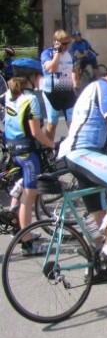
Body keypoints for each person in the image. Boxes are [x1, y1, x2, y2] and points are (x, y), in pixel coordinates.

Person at [58, 63, 107, 274]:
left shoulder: (94, 87)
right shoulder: (106, 88)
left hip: (79, 153)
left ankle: (98, 269)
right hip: (85, 153)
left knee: (98, 215)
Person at [4, 58, 55, 255]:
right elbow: (36, 132)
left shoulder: (10, 94)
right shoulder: (31, 99)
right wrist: (53, 145)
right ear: (31, 77)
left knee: (21, 188)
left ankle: (16, 225)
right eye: (38, 76)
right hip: (27, 152)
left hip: (13, 149)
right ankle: (27, 242)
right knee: (29, 196)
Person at [41, 29, 77, 141]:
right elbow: (52, 69)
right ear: (56, 42)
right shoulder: (47, 53)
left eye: (68, 43)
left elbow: (74, 70)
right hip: (52, 92)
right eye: (64, 43)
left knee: (73, 123)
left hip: (67, 91)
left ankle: (74, 149)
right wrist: (57, 53)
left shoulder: (69, 54)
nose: (67, 46)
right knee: (52, 124)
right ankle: (49, 148)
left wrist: (75, 86)